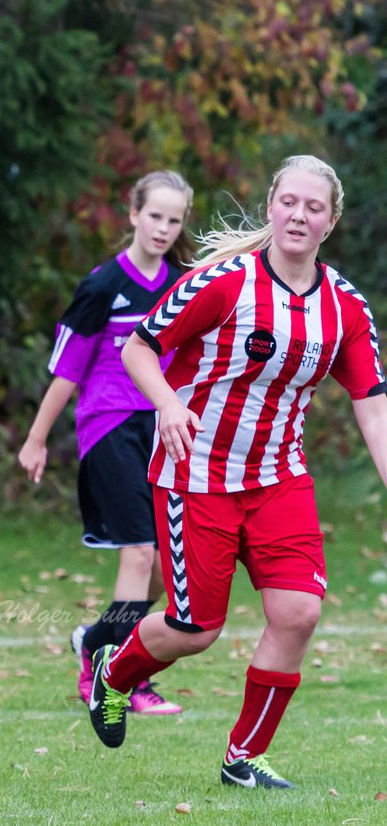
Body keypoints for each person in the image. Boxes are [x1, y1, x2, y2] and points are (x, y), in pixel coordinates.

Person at [86, 155, 386, 790]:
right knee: (196, 631)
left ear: (330, 222)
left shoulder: (346, 310)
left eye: (314, 207)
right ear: (272, 206)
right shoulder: (222, 283)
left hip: (279, 478)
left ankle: (242, 758)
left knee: (299, 612)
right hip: (194, 478)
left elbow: (372, 406)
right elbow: (137, 346)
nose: (299, 216)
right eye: (289, 202)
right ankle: (114, 673)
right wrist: (168, 404)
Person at [17, 171, 194, 715]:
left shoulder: (184, 283)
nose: (163, 227)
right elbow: (68, 370)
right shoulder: (102, 286)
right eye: (155, 215)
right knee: (139, 552)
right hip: (111, 426)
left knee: (172, 568)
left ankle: (95, 643)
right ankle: (120, 677)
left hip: (166, 430)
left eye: (175, 219)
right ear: (134, 213)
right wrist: (37, 438)